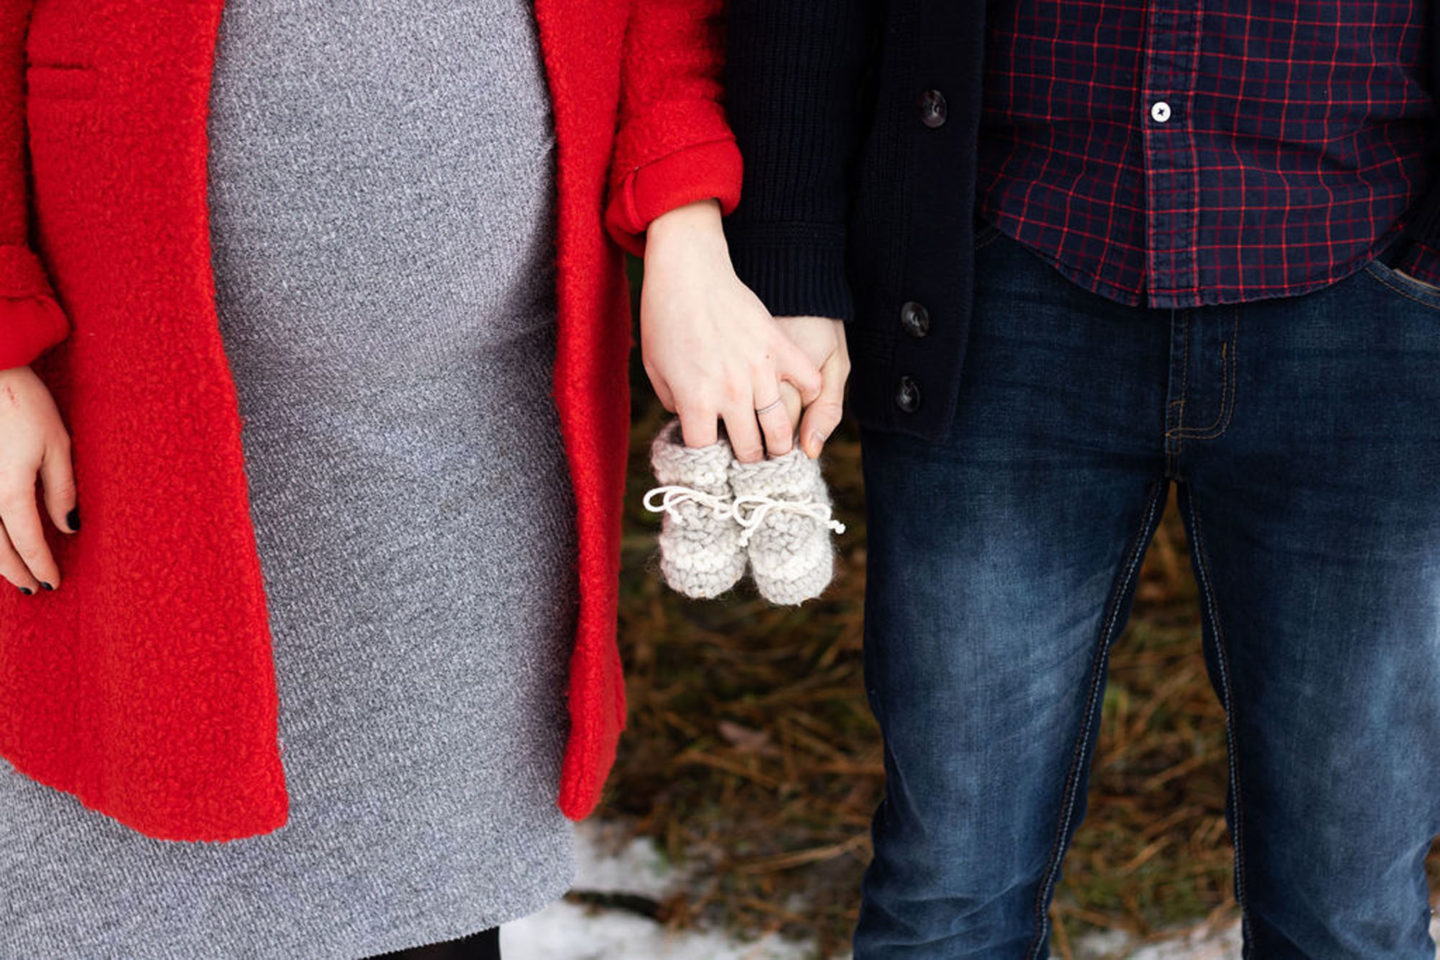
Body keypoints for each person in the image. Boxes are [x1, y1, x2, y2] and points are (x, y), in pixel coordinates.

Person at [0, 0, 783, 957]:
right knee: (120, 898)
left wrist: (683, 216)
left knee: (428, 902)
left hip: (481, 455)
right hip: (131, 431)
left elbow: (668, 26)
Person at [720, 0, 1440, 957]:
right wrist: (792, 263)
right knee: (948, 887)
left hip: (1365, 287)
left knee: (1347, 907)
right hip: (1005, 275)